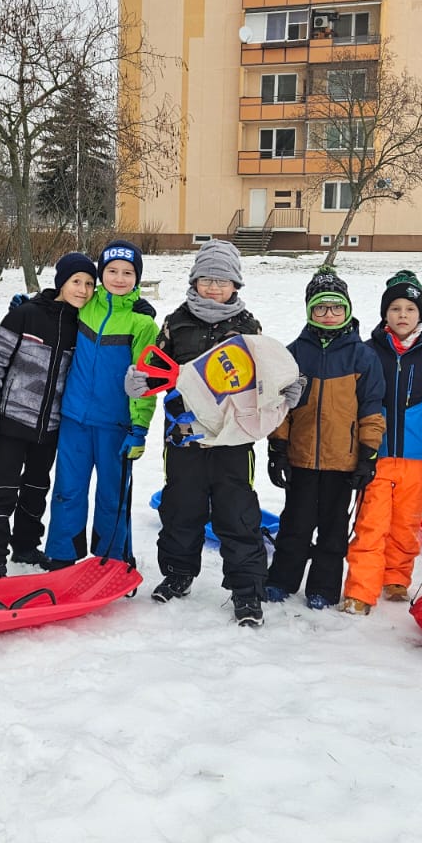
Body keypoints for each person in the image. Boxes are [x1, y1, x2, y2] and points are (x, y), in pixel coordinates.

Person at [137, 240, 276, 627]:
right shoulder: (176, 322)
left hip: (233, 438)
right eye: (207, 280)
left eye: (223, 281)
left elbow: (262, 378)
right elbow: (157, 367)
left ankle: (246, 589)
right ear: (195, 281)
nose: (214, 288)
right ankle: (177, 573)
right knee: (181, 506)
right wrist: (141, 380)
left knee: (237, 511)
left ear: (236, 285)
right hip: (184, 437)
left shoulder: (248, 327)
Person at [340, 271, 422, 614]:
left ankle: (396, 577)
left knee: (406, 522)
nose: (402, 315)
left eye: (410, 309)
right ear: (385, 313)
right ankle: (360, 590)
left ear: (420, 314)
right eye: (395, 308)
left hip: (416, 456)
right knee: (371, 522)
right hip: (377, 454)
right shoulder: (369, 351)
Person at [0, 253, 96, 579]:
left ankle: (25, 545)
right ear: (61, 282)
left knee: (36, 490)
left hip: (52, 425)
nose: (82, 290)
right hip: (13, 420)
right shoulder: (26, 315)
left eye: (89, 284)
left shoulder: (84, 325)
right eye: (76, 281)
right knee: (0, 490)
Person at [264, 267, 385, 609]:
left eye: (336, 307)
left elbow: (372, 409)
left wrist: (367, 454)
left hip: (342, 460)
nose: (328, 314)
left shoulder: (363, 356)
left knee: (333, 529)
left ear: (347, 309)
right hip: (301, 457)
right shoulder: (294, 353)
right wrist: (278, 447)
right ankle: (281, 579)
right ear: (309, 310)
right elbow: (281, 407)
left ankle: (324, 587)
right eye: (320, 307)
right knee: (295, 523)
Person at [44, 243, 159, 567]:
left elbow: (145, 382)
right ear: (101, 273)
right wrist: (33, 306)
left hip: (116, 425)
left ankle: (114, 558)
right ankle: (61, 554)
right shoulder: (87, 304)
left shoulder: (142, 324)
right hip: (75, 418)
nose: (119, 278)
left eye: (128, 273)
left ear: (137, 278)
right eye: (112, 271)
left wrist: (139, 428)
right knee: (68, 490)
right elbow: (60, 300)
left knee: (113, 495)